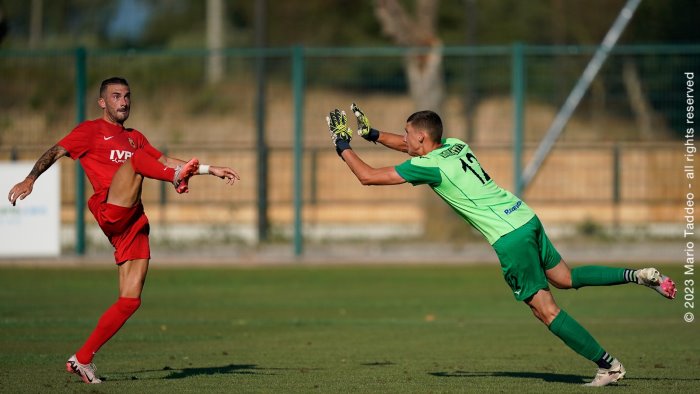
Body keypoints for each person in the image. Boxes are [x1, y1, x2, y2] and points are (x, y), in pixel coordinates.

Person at [325, 103, 676, 387]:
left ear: (420, 138)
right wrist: (371, 134)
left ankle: (609, 366)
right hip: (525, 217)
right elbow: (408, 146)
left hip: (509, 238)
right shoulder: (455, 145)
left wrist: (343, 146)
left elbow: (368, 177)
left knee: (545, 310)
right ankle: (639, 275)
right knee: (565, 278)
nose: (404, 138)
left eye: (407, 134)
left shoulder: (429, 167)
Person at [7, 77, 240, 384]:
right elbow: (55, 151)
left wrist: (210, 170)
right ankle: (174, 180)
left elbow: (166, 160)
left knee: (130, 300)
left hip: (132, 221)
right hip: (109, 206)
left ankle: (82, 359)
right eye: (116, 96)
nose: (124, 101)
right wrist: (30, 179)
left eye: (127, 96)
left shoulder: (134, 137)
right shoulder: (88, 131)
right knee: (137, 162)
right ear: (102, 102)